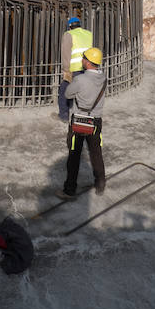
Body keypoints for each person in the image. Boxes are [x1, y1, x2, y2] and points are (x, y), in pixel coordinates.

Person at [56, 47, 106, 200]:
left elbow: (68, 93)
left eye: (84, 58)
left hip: (79, 121)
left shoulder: (81, 79)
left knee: (74, 155)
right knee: (96, 152)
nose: (82, 60)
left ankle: (69, 190)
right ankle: (100, 183)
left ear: (89, 62)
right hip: (96, 121)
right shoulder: (103, 78)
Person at [54, 16, 93, 122]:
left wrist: (66, 70)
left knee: (64, 91)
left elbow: (66, 54)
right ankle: (85, 115)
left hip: (74, 69)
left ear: (70, 26)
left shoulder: (69, 35)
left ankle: (63, 116)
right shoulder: (88, 34)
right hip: (87, 68)